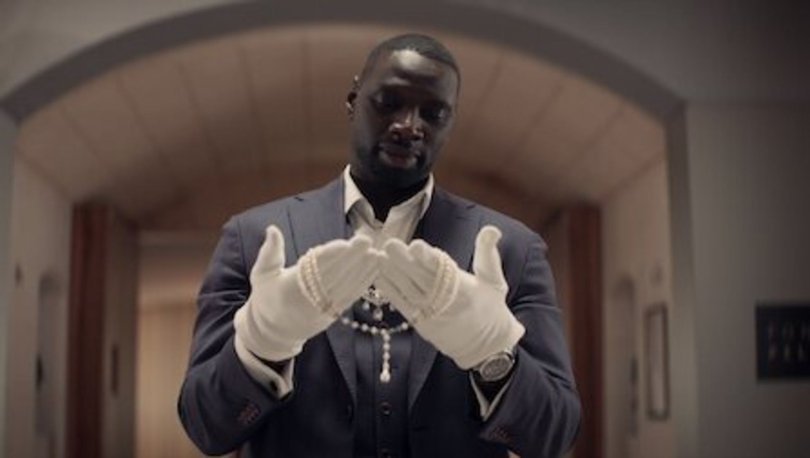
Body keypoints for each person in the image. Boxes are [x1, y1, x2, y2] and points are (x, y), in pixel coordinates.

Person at [178, 33, 580, 458]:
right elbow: (206, 429)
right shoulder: (253, 239)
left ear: (450, 123)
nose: (409, 126)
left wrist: (493, 356)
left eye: (433, 113)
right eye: (389, 102)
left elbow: (554, 436)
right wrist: (260, 346)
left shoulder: (511, 250)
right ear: (353, 101)